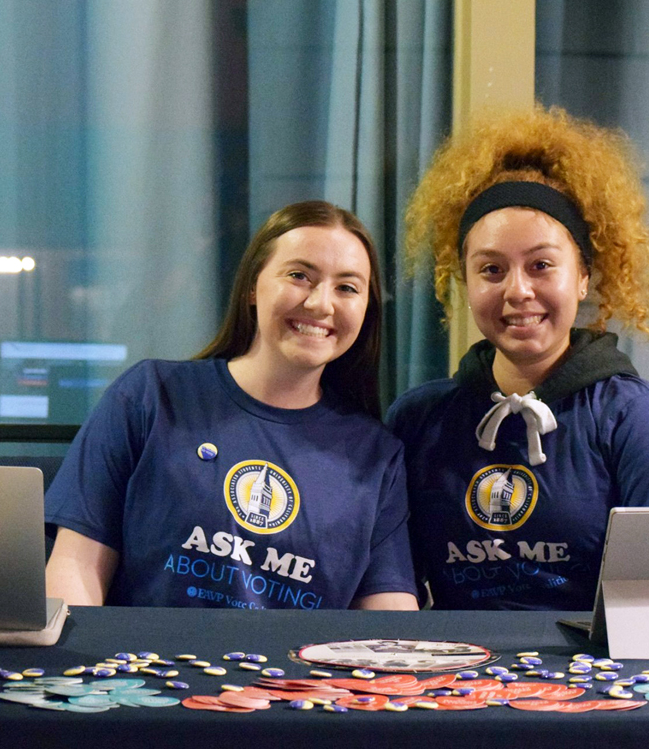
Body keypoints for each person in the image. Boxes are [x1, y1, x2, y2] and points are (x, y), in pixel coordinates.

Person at [387, 106, 649, 611]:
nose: (518, 291)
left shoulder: (636, 419)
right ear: (464, 282)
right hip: (452, 680)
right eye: (491, 269)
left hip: (597, 685)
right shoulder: (418, 420)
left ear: (583, 277)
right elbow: (390, 592)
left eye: (541, 266)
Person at [45, 200, 419, 611]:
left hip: (298, 677)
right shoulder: (151, 396)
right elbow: (73, 572)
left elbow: (390, 629)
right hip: (146, 673)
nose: (320, 304)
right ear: (251, 288)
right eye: (299, 276)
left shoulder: (377, 456)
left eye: (347, 287)